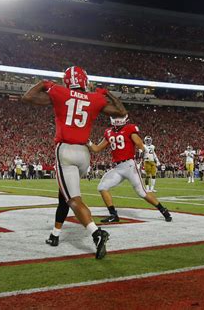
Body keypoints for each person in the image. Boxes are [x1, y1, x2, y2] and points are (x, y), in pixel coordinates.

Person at [21, 66, 127, 259]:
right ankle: (55, 234)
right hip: (84, 154)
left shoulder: (60, 92)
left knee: (73, 200)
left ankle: (97, 233)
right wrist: (107, 93)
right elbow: (121, 112)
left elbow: (27, 97)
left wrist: (43, 84)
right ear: (84, 81)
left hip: (66, 151)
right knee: (64, 195)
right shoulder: (95, 98)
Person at [87, 115, 172, 223]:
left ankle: (163, 210)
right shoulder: (108, 132)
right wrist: (88, 142)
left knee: (142, 193)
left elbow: (141, 146)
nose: (117, 119)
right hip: (118, 167)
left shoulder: (129, 128)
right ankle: (113, 215)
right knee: (102, 187)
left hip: (129, 165)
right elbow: (97, 148)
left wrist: (139, 159)